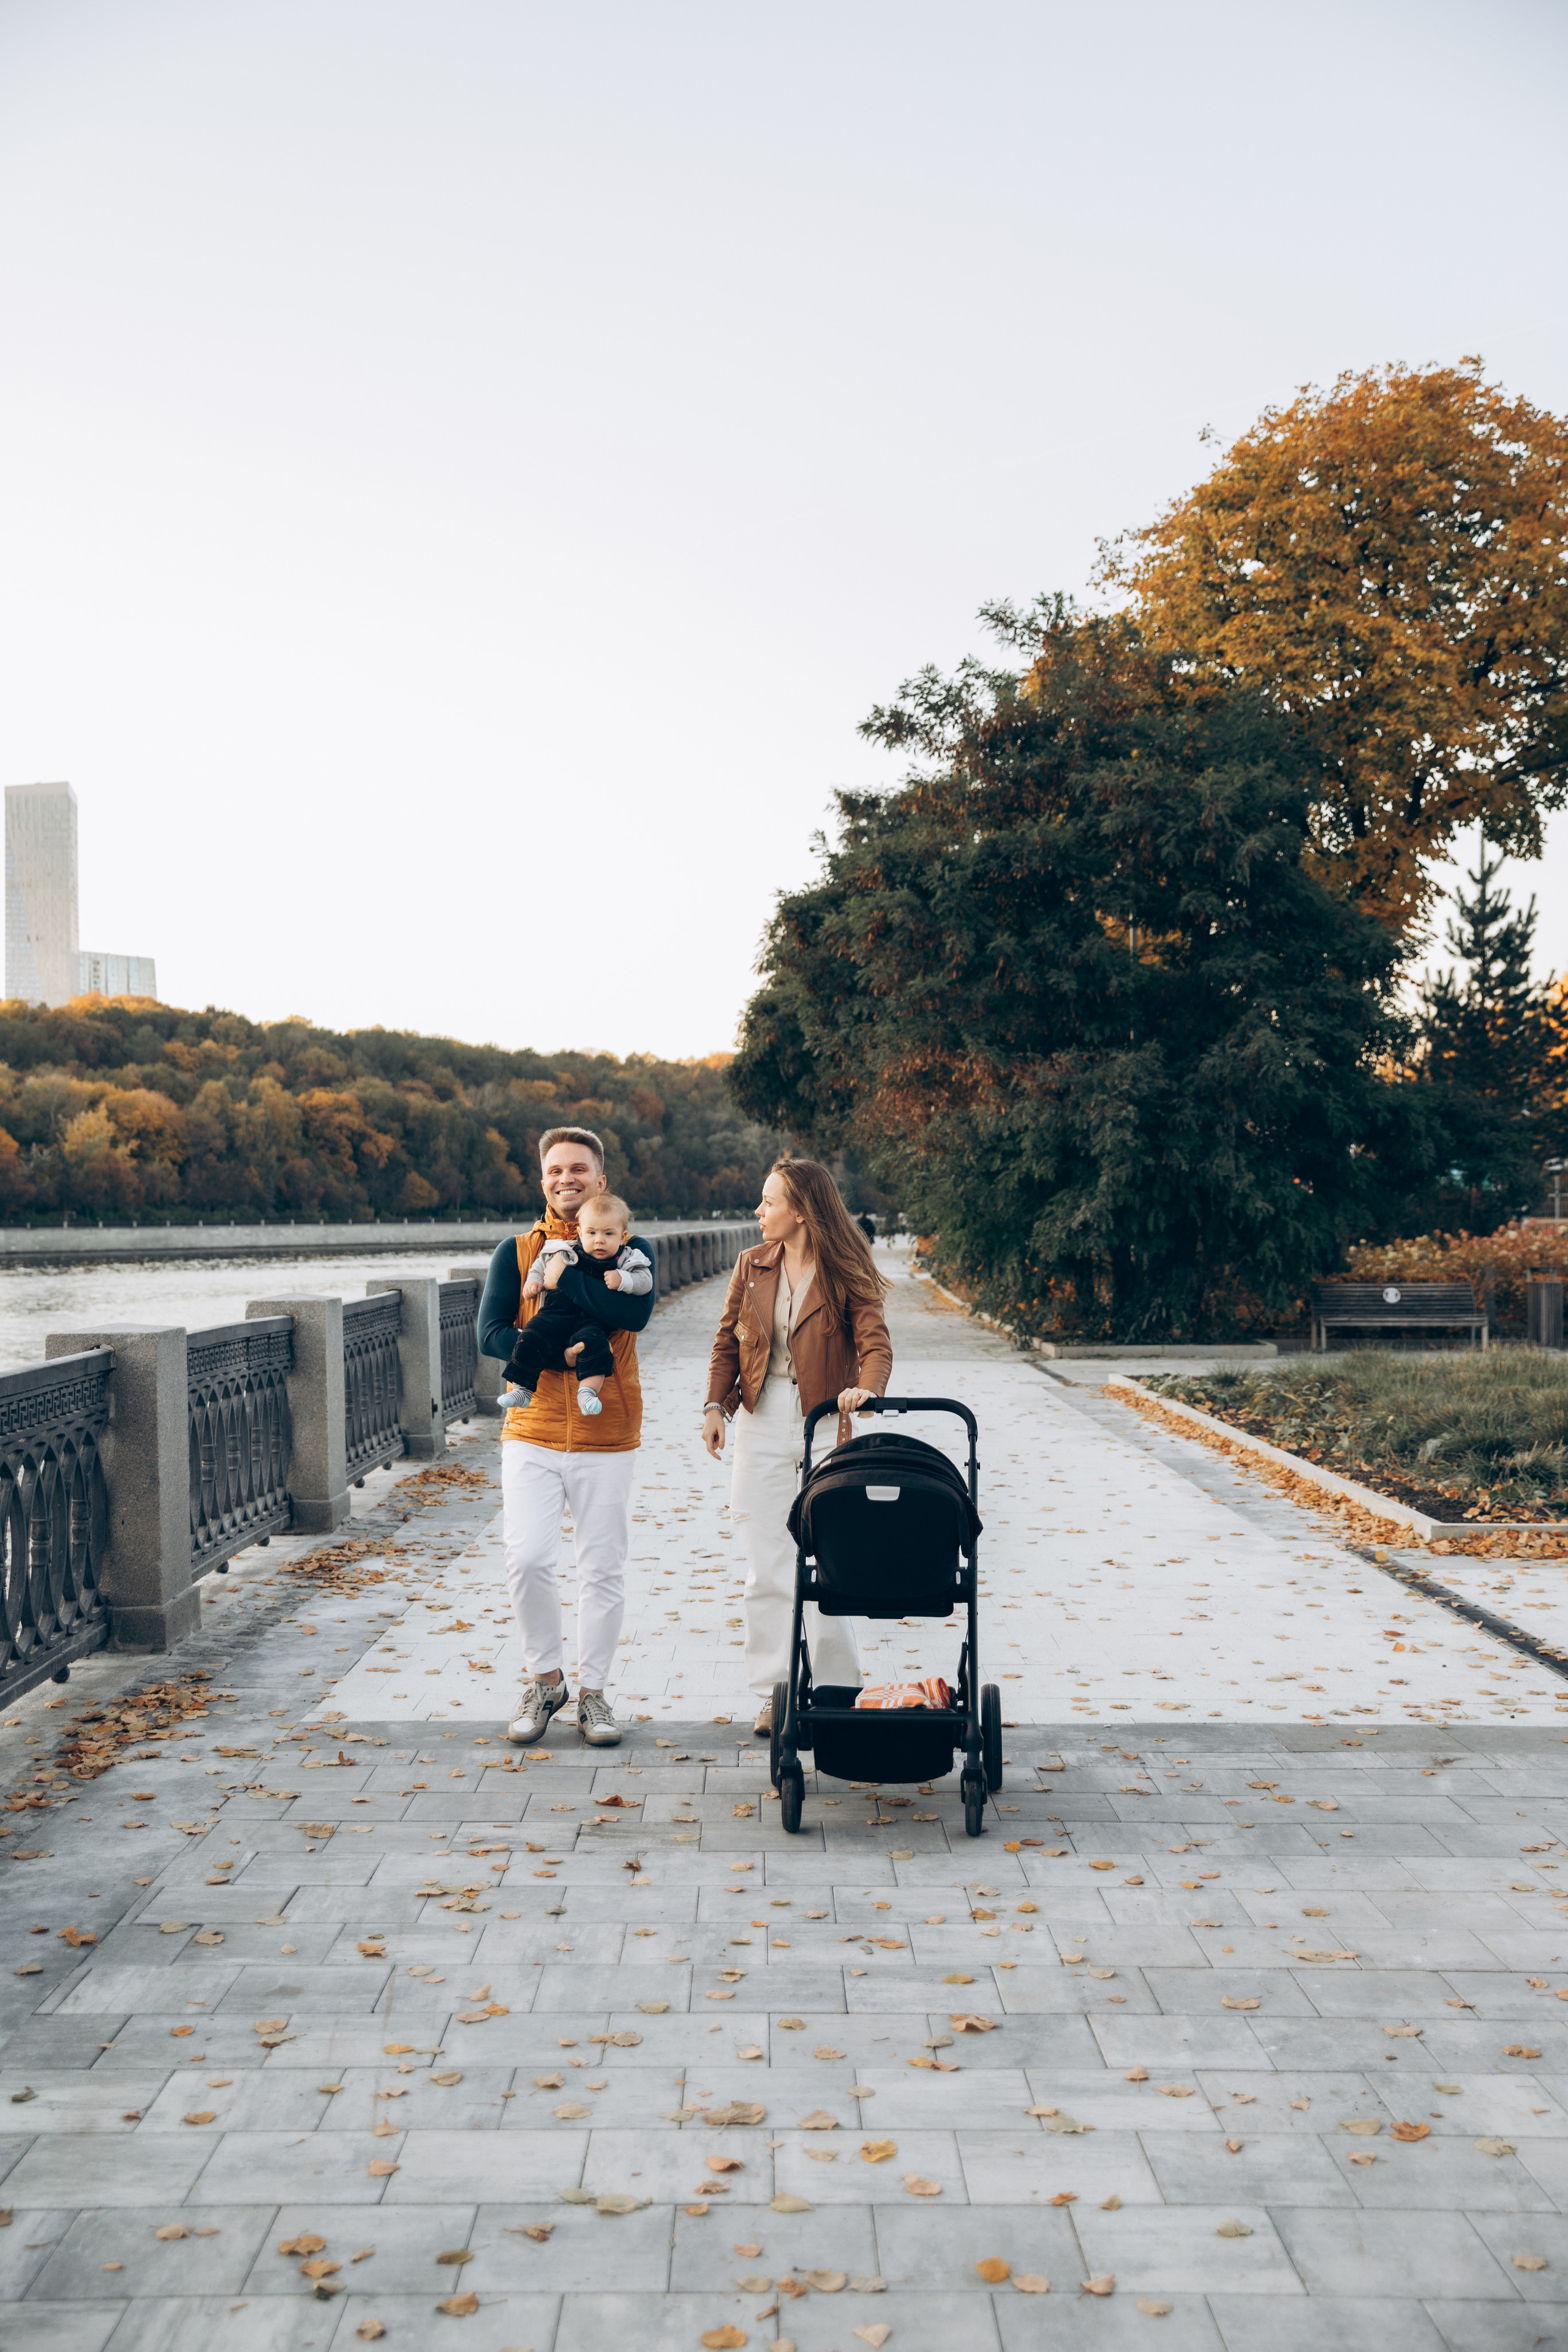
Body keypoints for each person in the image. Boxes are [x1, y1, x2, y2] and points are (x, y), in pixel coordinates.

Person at [703, 1156, 893, 1740]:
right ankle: (773, 1694)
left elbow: (875, 1343)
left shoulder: (844, 1267)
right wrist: (716, 1406)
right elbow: (726, 1342)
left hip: (825, 1420)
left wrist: (869, 1389)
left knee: (829, 1561)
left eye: (770, 1202)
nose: (759, 1212)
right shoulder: (752, 1264)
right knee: (766, 1568)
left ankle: (837, 1690)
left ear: (803, 1211)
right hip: (760, 1420)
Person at [477, 1129, 654, 1747]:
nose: (567, 1178)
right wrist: (556, 1356)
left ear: (600, 1181)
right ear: (543, 1180)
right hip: (533, 1428)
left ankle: (595, 1695)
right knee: (527, 1558)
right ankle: (545, 1680)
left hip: (607, 1430)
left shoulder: (630, 1246)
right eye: (556, 1170)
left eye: (579, 1169)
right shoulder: (515, 1249)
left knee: (601, 1568)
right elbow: (492, 1330)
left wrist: (562, 1268)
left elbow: (632, 1315)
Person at [499, 1194, 652, 1418]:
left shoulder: (627, 1258)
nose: (599, 1240)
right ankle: (522, 1388)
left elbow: (645, 1282)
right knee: (531, 1336)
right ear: (580, 1233)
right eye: (592, 1233)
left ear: (623, 1237)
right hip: (555, 1315)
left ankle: (588, 1392)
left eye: (608, 1234)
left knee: (597, 1347)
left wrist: (624, 1280)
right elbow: (540, 1264)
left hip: (590, 1321)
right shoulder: (565, 1249)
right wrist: (534, 1281)